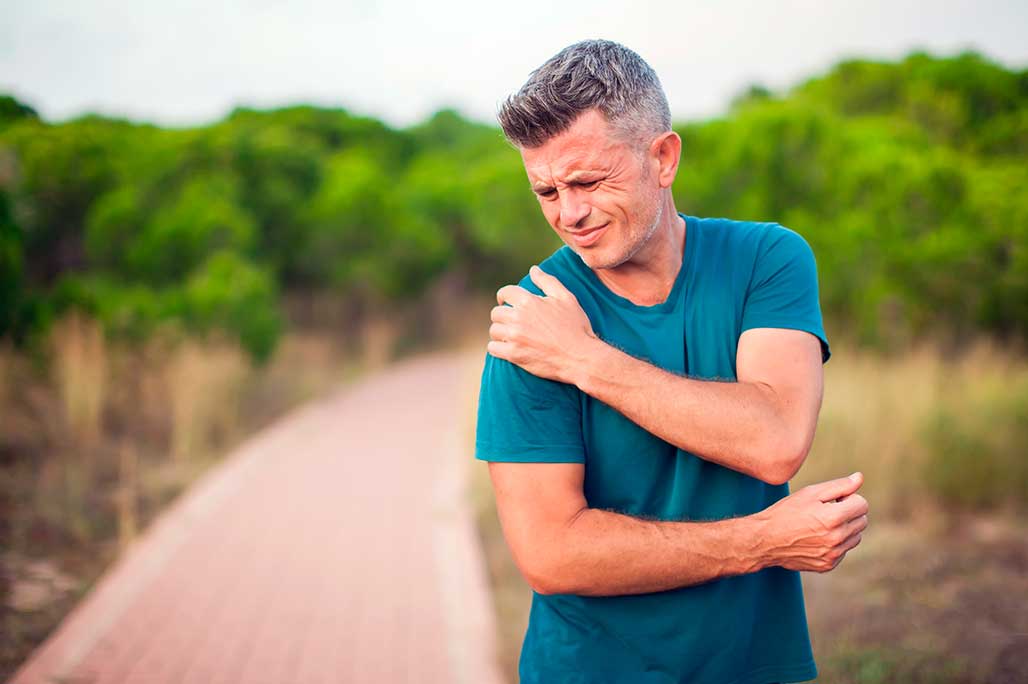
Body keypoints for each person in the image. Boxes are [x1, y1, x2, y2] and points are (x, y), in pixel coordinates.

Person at [474, 39, 869, 684]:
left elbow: (775, 440)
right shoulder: (533, 321)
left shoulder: (765, 259)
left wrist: (584, 359)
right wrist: (764, 541)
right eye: (545, 190)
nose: (568, 213)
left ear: (662, 157)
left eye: (588, 181)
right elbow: (552, 554)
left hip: (755, 665)